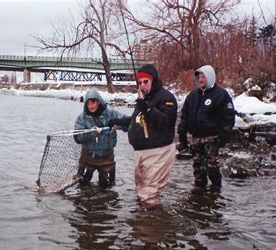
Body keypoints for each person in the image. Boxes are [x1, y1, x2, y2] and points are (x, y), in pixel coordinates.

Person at [108, 64, 178, 206]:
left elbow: (166, 121)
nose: (142, 85)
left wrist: (147, 109)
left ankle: (149, 225)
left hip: (159, 152)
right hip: (142, 153)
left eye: (146, 81)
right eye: (139, 83)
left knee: (149, 193)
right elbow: (137, 120)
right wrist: (118, 122)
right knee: (141, 188)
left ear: (153, 80)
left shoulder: (166, 98)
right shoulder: (144, 100)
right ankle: (145, 220)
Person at [177, 65, 235, 188]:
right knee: (198, 168)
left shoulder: (221, 95)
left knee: (211, 167)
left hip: (212, 138)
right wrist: (182, 138)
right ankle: (199, 196)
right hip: (195, 139)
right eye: (199, 77)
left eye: (203, 77)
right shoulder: (192, 96)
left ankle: (216, 193)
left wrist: (223, 138)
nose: (201, 79)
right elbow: (184, 117)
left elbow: (229, 118)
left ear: (210, 77)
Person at [74, 88, 127, 188]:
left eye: (93, 102)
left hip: (107, 158)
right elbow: (77, 138)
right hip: (87, 158)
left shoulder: (111, 114)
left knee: (108, 188)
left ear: (98, 101)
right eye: (88, 104)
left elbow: (127, 123)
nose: (90, 106)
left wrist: (118, 126)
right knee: (82, 187)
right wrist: (91, 134)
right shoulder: (81, 118)